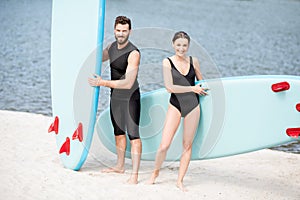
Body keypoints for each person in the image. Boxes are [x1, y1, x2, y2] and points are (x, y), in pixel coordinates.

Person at [148, 31, 208, 191]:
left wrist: (205, 89)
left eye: (185, 45)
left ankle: (179, 181)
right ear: (173, 45)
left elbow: (202, 81)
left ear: (188, 46)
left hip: (193, 107)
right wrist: (192, 88)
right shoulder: (167, 62)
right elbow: (169, 87)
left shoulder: (194, 61)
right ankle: (155, 173)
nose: (181, 48)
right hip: (175, 105)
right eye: (178, 45)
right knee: (164, 145)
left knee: (187, 146)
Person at [88, 16, 142, 184]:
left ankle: (134, 175)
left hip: (130, 98)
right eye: (118, 30)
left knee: (133, 135)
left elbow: (128, 83)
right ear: (114, 30)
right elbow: (98, 56)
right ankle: (120, 166)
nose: (121, 34)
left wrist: (102, 82)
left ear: (130, 32)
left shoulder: (134, 53)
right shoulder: (111, 47)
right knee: (118, 133)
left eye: (124, 31)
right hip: (115, 97)